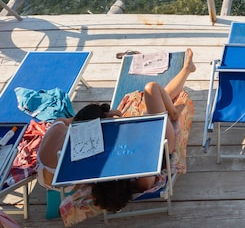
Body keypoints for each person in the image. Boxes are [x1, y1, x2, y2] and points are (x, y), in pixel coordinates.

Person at [36, 48, 196, 191]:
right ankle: (175, 107)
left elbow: (72, 121)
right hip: (156, 148)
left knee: (152, 97)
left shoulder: (60, 131)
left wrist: (105, 116)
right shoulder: (87, 154)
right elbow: (145, 177)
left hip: (47, 177)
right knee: (152, 91)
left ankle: (186, 71)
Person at [89, 48, 197, 213]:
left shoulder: (107, 175)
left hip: (141, 134)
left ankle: (187, 70)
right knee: (152, 88)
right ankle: (174, 111)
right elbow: (149, 151)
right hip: (161, 140)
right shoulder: (142, 182)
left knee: (157, 97)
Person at [35, 103, 121, 189]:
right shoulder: (79, 144)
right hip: (60, 183)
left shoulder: (58, 123)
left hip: (41, 175)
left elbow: (73, 120)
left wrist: (103, 114)